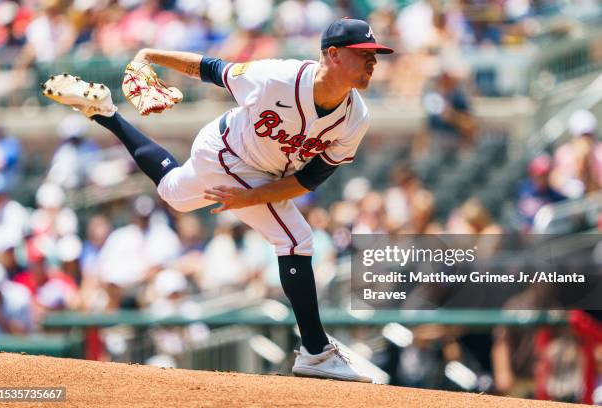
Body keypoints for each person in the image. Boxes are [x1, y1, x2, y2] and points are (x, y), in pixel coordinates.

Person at [42, 18, 393, 382]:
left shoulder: (356, 118)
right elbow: (210, 68)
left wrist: (251, 198)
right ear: (332, 54)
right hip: (225, 151)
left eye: (375, 55)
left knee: (173, 193)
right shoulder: (274, 77)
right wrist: (150, 54)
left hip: (260, 174)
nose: (373, 61)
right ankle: (316, 351)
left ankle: (106, 114)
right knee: (296, 239)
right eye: (364, 53)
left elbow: (309, 179)